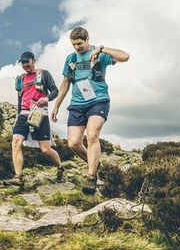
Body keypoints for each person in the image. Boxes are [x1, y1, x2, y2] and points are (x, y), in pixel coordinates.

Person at [50, 27, 129, 194]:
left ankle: (91, 177)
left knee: (92, 135)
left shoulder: (99, 54)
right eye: (74, 45)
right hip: (77, 104)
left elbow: (125, 57)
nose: (77, 47)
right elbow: (65, 83)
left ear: (87, 39)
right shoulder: (71, 59)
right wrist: (56, 105)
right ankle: (95, 163)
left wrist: (101, 48)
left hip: (98, 100)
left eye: (79, 43)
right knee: (73, 143)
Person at [4, 51, 62, 189]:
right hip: (23, 114)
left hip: (38, 113)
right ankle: (18, 177)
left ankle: (60, 167)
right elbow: (20, 99)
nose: (25, 65)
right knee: (16, 142)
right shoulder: (20, 80)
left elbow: (55, 91)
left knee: (45, 149)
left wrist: (46, 98)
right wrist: (18, 115)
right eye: (23, 63)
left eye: (27, 61)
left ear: (33, 61)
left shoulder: (43, 74)